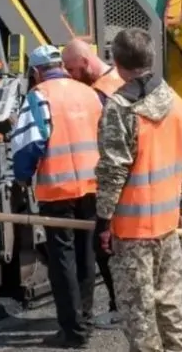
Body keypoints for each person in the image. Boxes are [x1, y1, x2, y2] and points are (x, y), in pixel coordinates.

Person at [92, 28, 182, 352]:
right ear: (150, 58)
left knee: (139, 318)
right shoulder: (178, 104)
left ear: (116, 62)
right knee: (172, 312)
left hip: (132, 233)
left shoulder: (120, 109)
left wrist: (102, 221)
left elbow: (112, 169)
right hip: (167, 227)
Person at [11, 44, 104, 349]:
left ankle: (72, 331)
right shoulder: (89, 94)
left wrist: (22, 176)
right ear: (61, 66)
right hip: (91, 189)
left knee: (62, 261)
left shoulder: (39, 96)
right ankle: (86, 321)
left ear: (36, 71)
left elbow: (29, 144)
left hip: (57, 192)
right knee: (86, 256)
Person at [62, 38, 124, 321]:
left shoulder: (102, 92)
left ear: (86, 63)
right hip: (104, 180)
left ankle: (121, 306)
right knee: (104, 249)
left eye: (72, 69)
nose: (71, 76)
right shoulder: (117, 81)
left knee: (108, 248)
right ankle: (119, 305)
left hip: (111, 181)